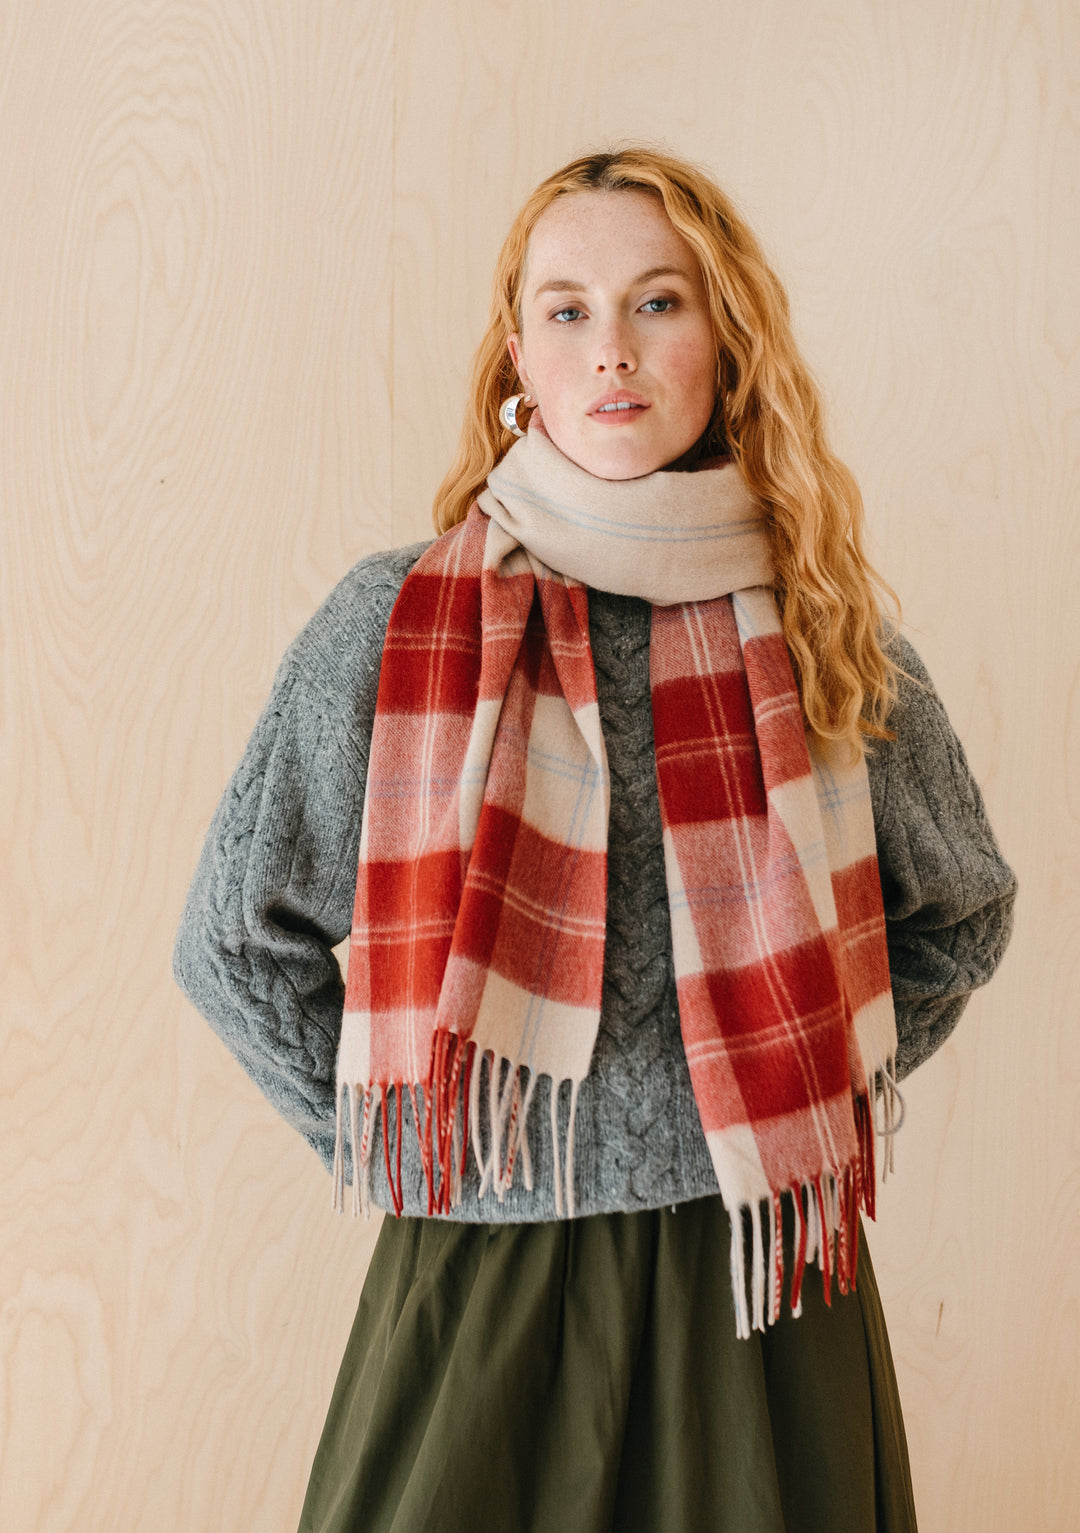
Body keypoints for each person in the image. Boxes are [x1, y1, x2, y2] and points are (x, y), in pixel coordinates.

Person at [173, 146, 1017, 1533]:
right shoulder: (395, 627)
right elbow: (232, 941)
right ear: (518, 352)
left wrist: (785, 1083)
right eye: (567, 309)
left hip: (763, 1270)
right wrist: (420, 1137)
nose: (610, 350)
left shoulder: (819, 632)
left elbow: (962, 911)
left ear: (726, 339)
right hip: (478, 1292)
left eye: (658, 302)